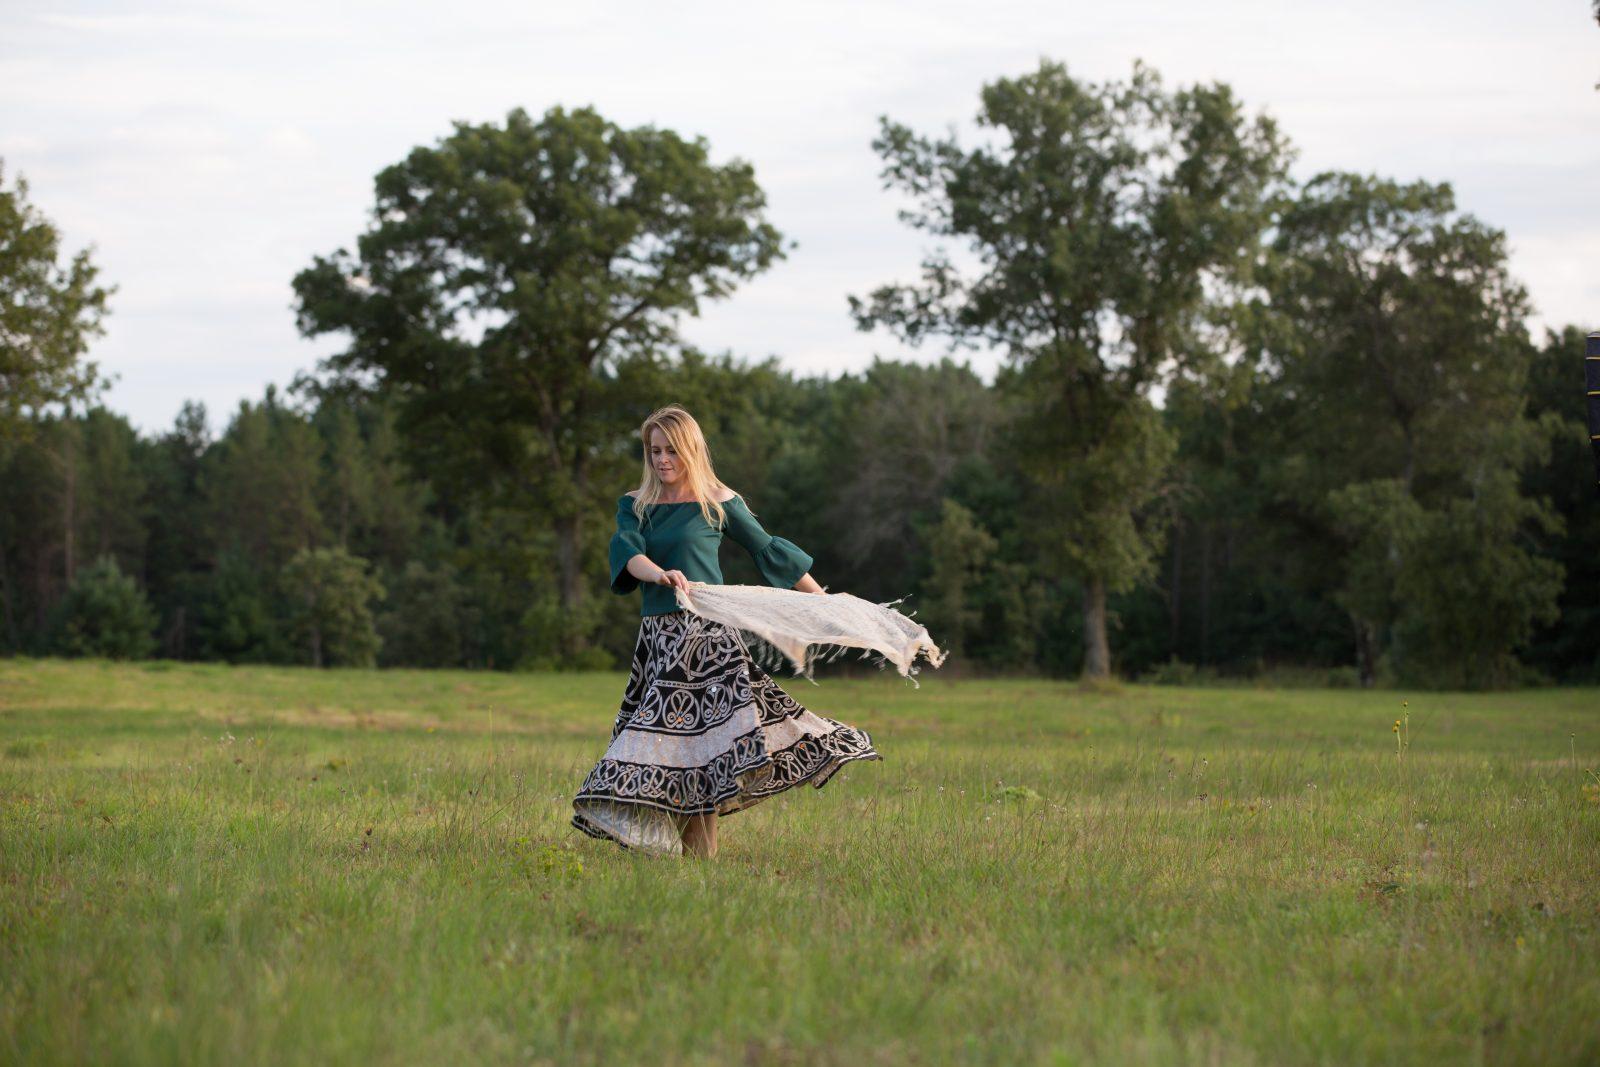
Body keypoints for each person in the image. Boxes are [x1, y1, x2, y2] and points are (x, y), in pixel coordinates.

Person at [570, 404, 881, 858]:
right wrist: (660, 574)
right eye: (654, 451)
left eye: (671, 451)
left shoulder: (719, 502)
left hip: (709, 640)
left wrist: (826, 602)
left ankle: (701, 863)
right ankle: (687, 856)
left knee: (706, 747)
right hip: (660, 642)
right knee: (668, 747)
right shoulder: (635, 505)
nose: (661, 460)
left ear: (691, 449)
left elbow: (769, 551)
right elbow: (628, 555)